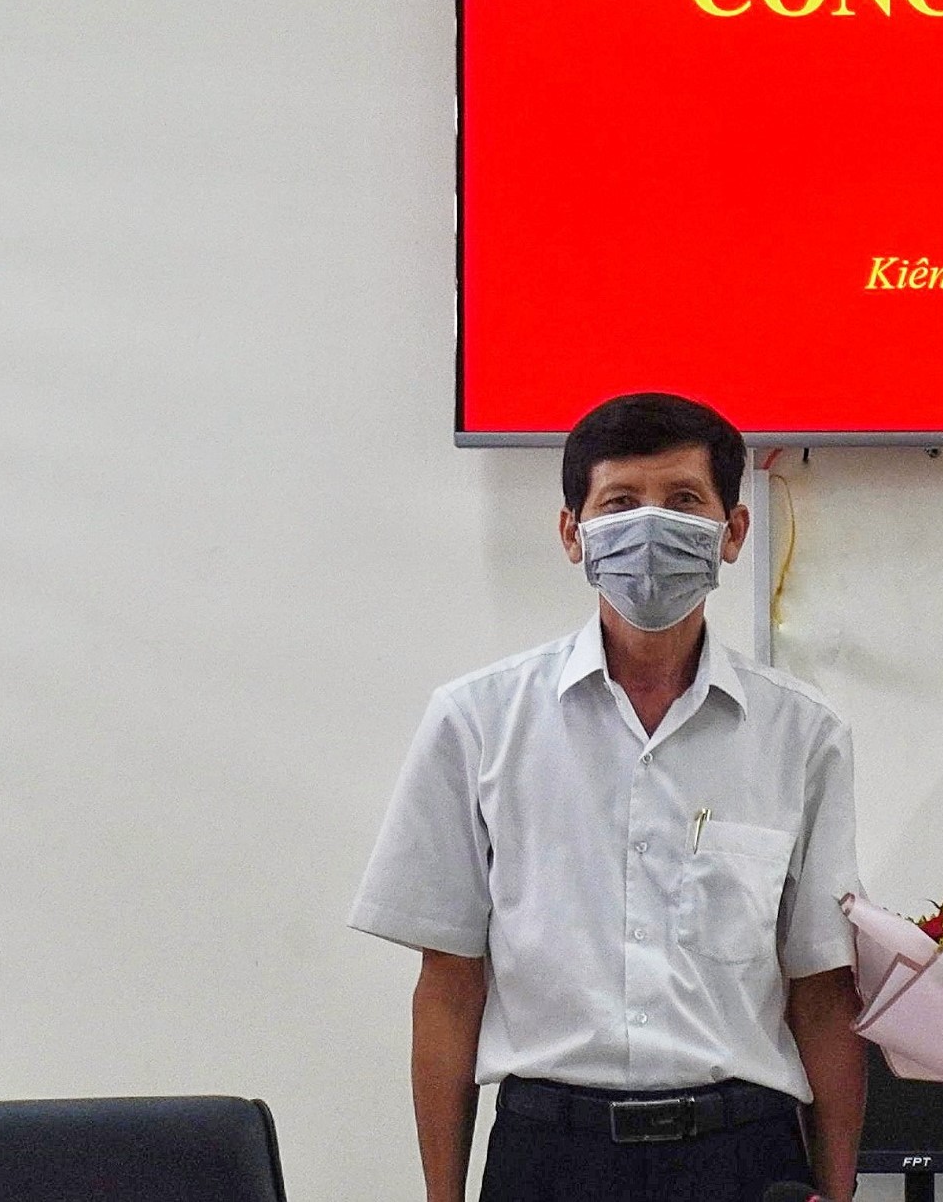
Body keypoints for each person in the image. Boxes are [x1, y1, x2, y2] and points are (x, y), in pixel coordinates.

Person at [352, 393, 865, 1202]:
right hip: (550, 1155)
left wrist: (837, 1193)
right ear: (572, 533)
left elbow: (822, 992)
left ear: (733, 531)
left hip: (742, 1153)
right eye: (620, 503)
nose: (652, 526)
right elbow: (449, 985)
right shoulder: (478, 722)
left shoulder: (801, 734)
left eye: (684, 500)